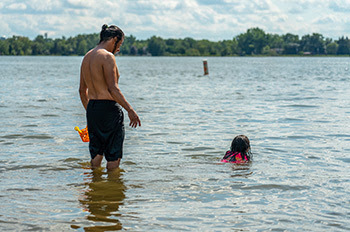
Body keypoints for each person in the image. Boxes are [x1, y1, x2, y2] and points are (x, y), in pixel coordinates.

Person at [79, 24, 141, 171]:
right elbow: (113, 88)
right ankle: (113, 189)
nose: (118, 49)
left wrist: (92, 113)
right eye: (119, 44)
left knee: (96, 154)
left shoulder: (87, 56)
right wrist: (130, 110)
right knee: (113, 156)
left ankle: (94, 189)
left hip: (92, 108)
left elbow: (82, 90)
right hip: (109, 110)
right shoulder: (107, 57)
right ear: (114, 39)